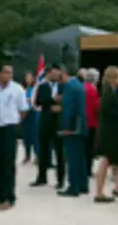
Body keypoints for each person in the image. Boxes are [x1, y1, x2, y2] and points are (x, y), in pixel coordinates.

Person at [0, 64, 28, 210]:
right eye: (6, 72)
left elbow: (23, 109)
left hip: (9, 128)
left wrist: (17, 122)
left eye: (11, 73)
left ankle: (8, 196)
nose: (9, 76)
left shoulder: (17, 89)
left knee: (8, 163)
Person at [93, 66, 118, 203]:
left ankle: (109, 188)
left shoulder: (109, 91)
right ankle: (107, 190)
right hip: (111, 133)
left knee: (109, 160)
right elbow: (113, 111)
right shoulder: (109, 93)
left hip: (108, 132)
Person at [30, 65, 65, 188]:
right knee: (43, 149)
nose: (56, 76)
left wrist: (60, 104)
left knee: (59, 152)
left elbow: (66, 99)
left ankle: (60, 180)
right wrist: (52, 100)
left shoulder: (62, 86)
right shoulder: (43, 86)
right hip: (45, 120)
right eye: (54, 73)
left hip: (58, 122)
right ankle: (41, 177)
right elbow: (38, 101)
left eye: (58, 73)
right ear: (49, 73)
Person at [56, 66, 88, 197]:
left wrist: (65, 128)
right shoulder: (78, 85)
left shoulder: (69, 87)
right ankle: (82, 184)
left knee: (72, 157)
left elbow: (68, 110)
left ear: (64, 74)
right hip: (81, 125)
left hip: (73, 127)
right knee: (80, 157)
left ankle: (73, 187)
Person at [83, 68, 100, 177]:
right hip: (91, 121)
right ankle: (88, 170)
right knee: (89, 148)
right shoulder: (92, 89)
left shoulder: (83, 87)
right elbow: (96, 106)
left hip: (83, 120)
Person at [21, 72, 39, 164]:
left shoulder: (34, 89)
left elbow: (35, 100)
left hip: (32, 113)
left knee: (34, 135)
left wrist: (29, 100)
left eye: (30, 77)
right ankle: (27, 155)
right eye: (26, 77)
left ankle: (37, 155)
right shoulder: (22, 89)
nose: (28, 79)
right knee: (26, 135)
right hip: (25, 114)